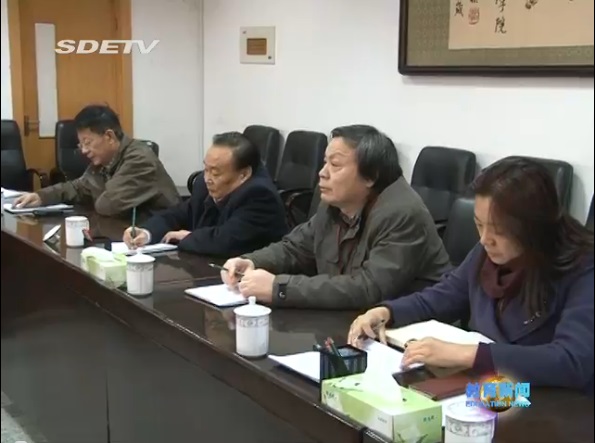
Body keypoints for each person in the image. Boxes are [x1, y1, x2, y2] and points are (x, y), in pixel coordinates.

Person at [348, 158, 594, 394]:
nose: (485, 239)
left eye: (499, 230)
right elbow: (443, 296)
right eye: (479, 224)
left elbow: (572, 360)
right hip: (488, 388)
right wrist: (386, 312)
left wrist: (469, 354)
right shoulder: (487, 252)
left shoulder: (582, 267)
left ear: (534, 227)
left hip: (553, 403)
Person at [221, 125, 451, 309]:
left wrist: (279, 288)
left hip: (410, 332)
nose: (322, 173)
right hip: (351, 320)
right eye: (325, 162)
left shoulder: (401, 213)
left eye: (335, 165)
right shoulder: (334, 204)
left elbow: (369, 288)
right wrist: (252, 261)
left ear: (371, 176)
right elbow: (295, 248)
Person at [123, 132, 288, 257]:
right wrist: (146, 232)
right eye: (206, 169)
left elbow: (226, 240)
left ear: (243, 174)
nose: (208, 178)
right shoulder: (203, 183)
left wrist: (188, 237)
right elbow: (179, 214)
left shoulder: (259, 195)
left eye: (215, 172)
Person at [12, 104, 180, 218]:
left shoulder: (139, 159)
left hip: (160, 237)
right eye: (81, 145)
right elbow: (78, 187)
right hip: (126, 231)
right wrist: (41, 196)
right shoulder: (105, 159)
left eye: (87, 143)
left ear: (109, 136)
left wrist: (92, 189)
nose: (84, 151)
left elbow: (107, 205)